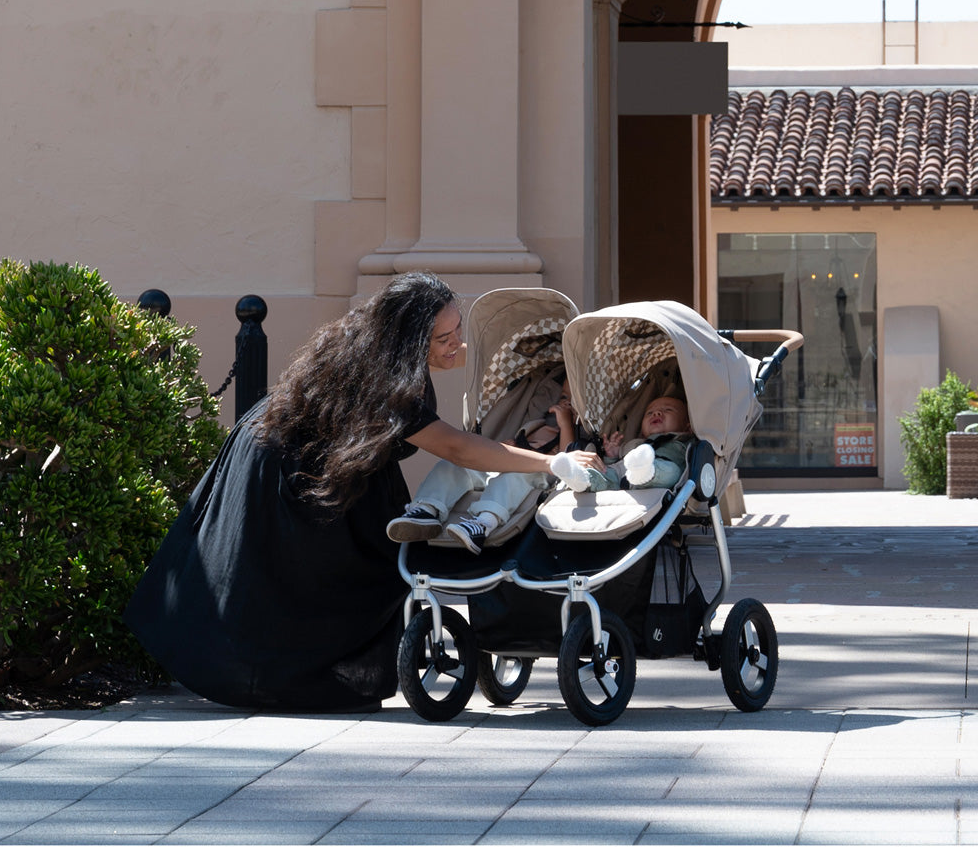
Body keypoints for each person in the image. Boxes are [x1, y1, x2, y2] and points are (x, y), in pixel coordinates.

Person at [124, 271, 602, 713]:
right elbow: (458, 448)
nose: (457, 343)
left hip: (323, 463)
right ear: (412, 340)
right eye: (444, 337)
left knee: (378, 559)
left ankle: (311, 673)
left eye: (457, 329)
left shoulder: (379, 352)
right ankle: (281, 680)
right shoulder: (391, 380)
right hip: (285, 464)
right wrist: (551, 462)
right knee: (296, 577)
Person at [387, 369, 576, 554]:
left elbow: (568, 457)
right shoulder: (539, 425)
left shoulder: (573, 431)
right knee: (454, 464)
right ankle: (427, 509)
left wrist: (566, 424)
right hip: (513, 464)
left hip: (539, 474)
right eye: (563, 397)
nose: (565, 403)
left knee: (514, 475)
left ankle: (483, 523)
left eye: (571, 399)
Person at [551, 395, 692, 493]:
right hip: (623, 475)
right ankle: (580, 478)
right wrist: (611, 455)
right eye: (649, 413)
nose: (656, 413)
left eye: (668, 410)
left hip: (661, 472)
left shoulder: (683, 441)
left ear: (687, 427)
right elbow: (614, 465)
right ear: (642, 431)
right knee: (606, 473)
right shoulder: (634, 444)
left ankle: (646, 471)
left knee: (673, 472)